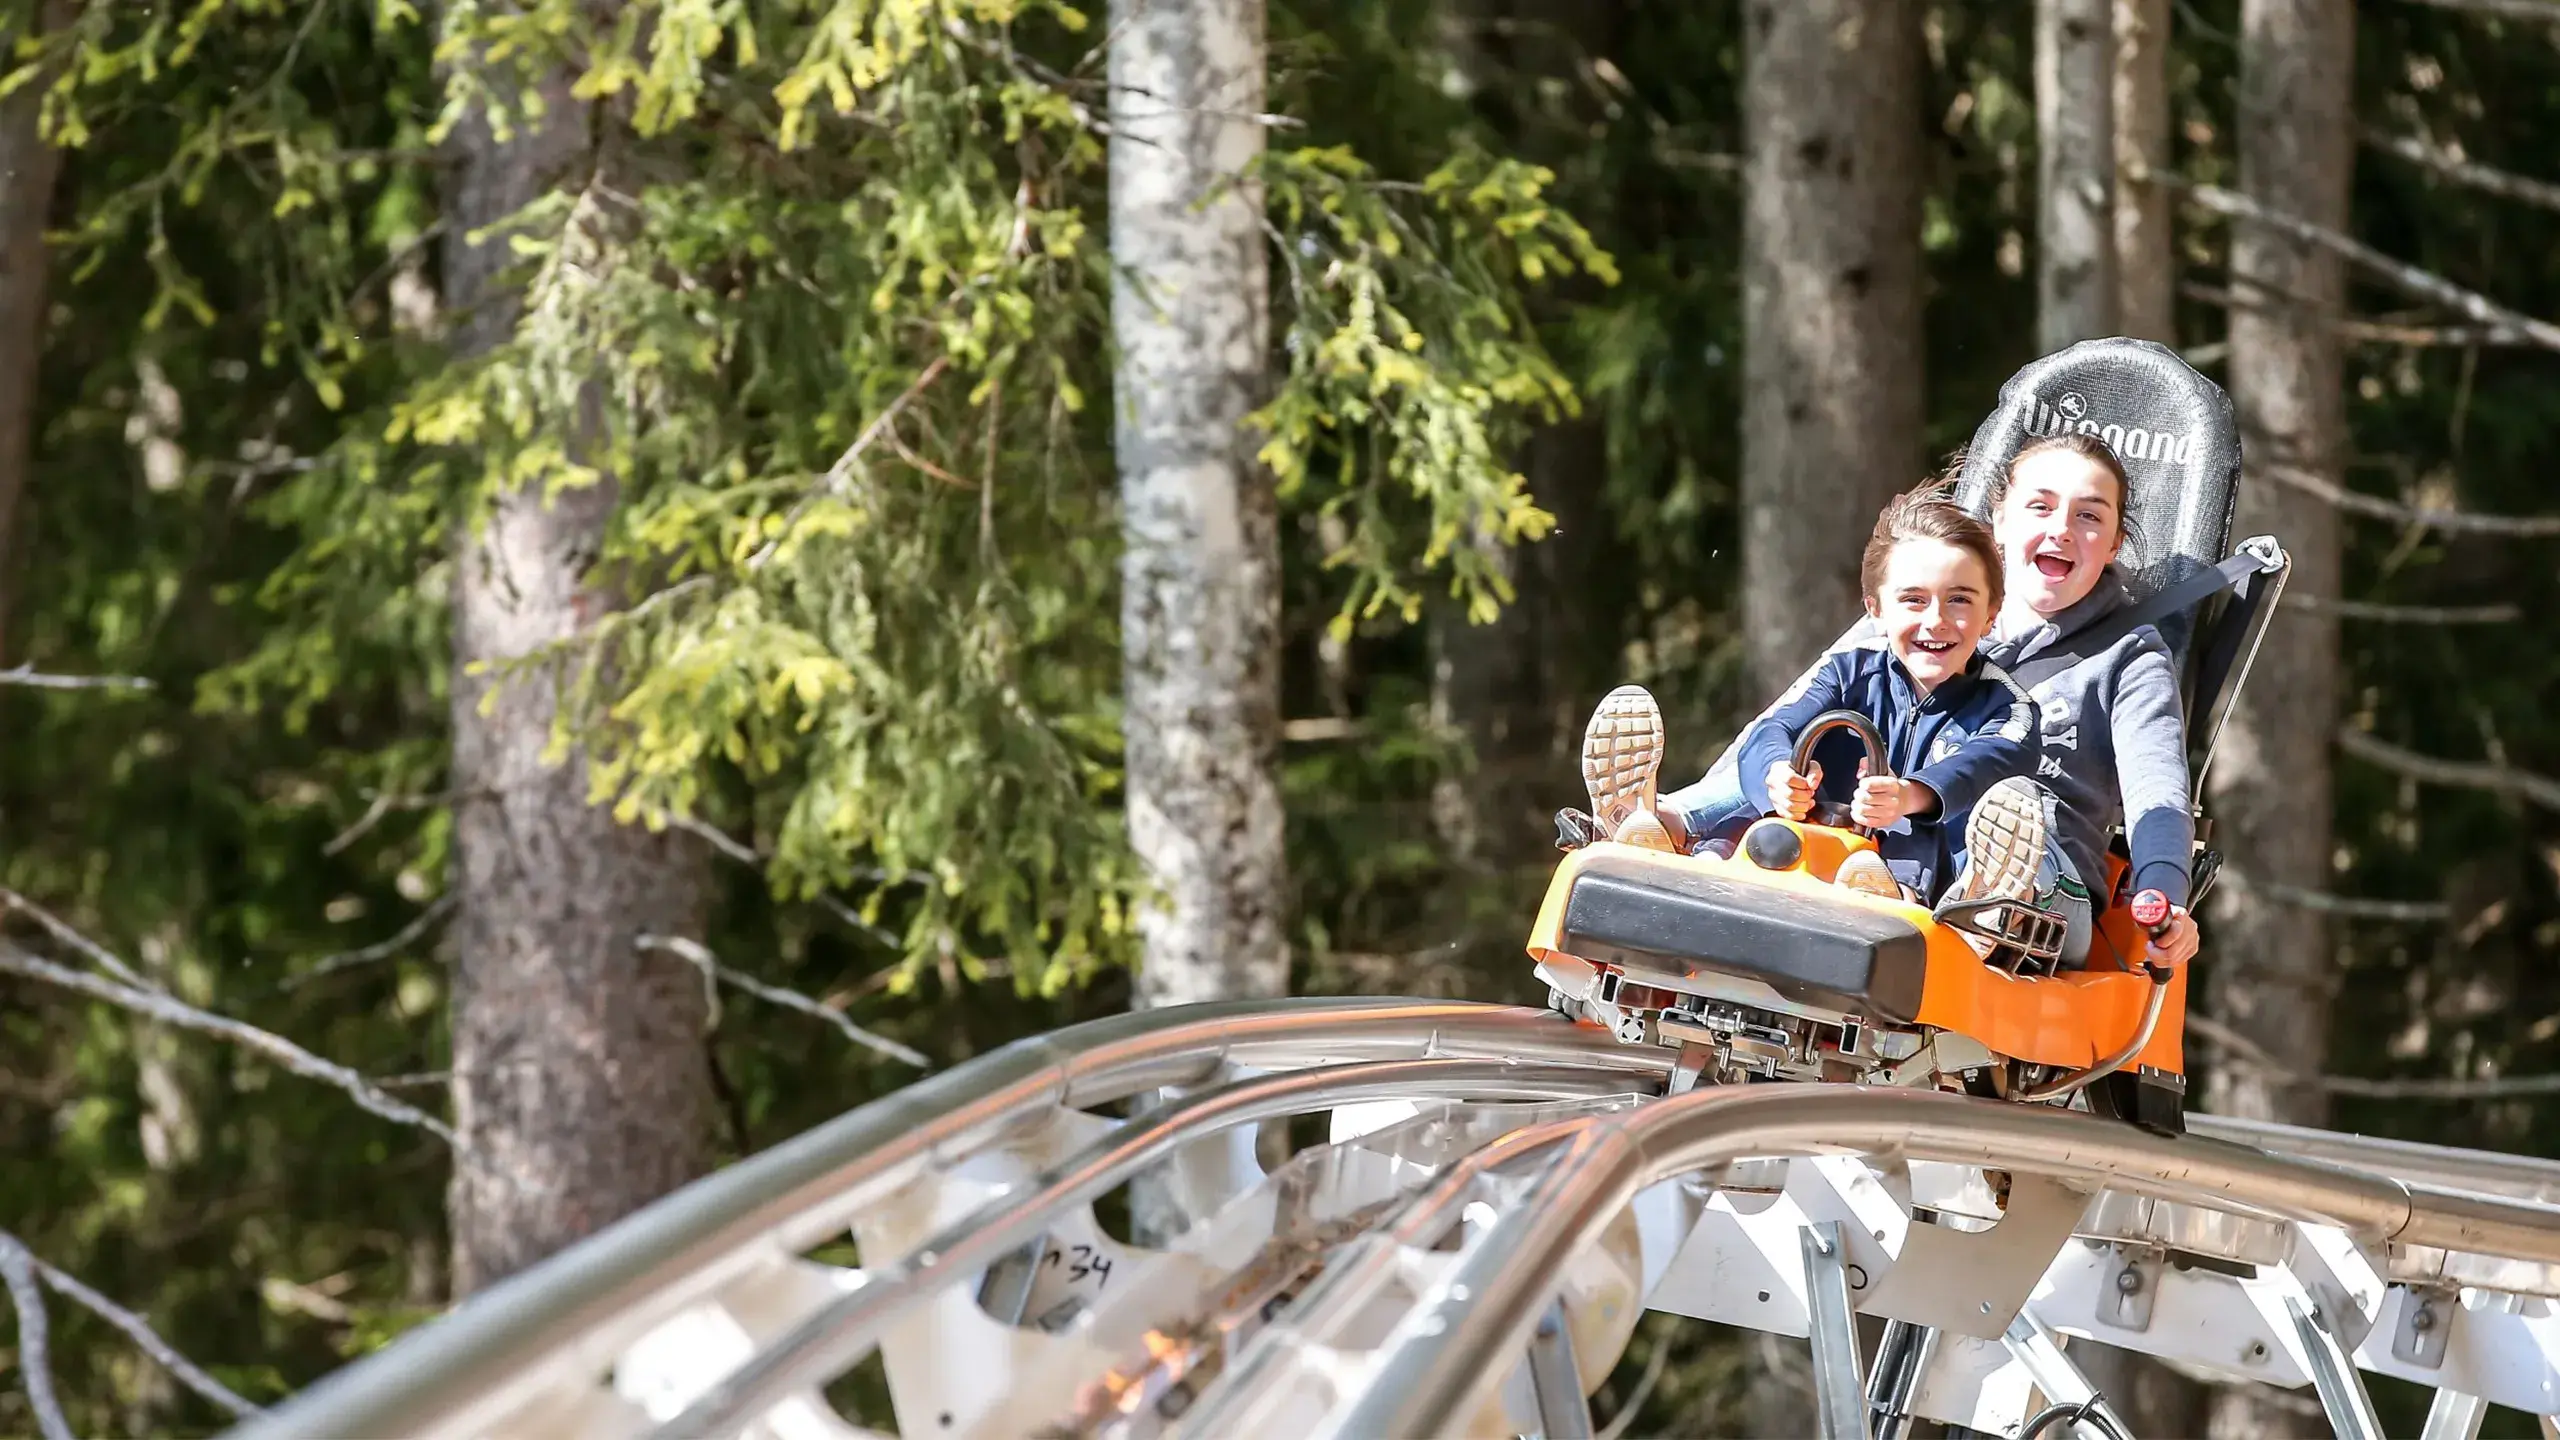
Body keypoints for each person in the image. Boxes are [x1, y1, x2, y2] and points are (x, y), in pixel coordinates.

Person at [1624, 433, 2204, 970]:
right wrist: (1772, 779)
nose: (2062, 530)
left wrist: (2163, 891)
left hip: (2038, 866)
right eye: (2041, 507)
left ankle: (1979, 905)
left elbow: (2159, 794)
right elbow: (1785, 722)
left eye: (2088, 517)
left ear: (2114, 543)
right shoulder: (1918, 608)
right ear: (1999, 517)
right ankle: (1660, 823)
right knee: (1816, 748)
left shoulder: (2127, 658)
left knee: (2011, 807)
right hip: (1884, 841)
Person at [1578, 490, 2046, 915]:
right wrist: (1778, 775)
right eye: (1913, 600)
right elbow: (1771, 730)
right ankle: (1656, 831)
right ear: (1876, 610)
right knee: (1767, 778)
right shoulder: (1848, 672)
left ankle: (1912, 900)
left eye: (1959, 601)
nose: (1936, 621)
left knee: (1936, 825)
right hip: (1808, 839)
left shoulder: (2007, 707)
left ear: (1991, 615)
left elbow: (1989, 762)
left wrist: (1910, 795)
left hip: (1909, 861)